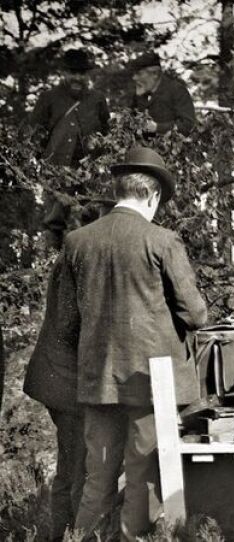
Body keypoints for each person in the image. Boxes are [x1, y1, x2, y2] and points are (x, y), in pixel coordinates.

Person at [67, 146, 207, 540]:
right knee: (143, 473)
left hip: (98, 379)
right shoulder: (162, 241)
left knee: (98, 477)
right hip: (150, 382)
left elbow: (67, 318)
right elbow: (195, 315)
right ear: (153, 195)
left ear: (118, 190)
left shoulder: (77, 241)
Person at [23, 197, 114, 542]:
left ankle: (67, 533)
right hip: (64, 380)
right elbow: (70, 325)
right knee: (74, 471)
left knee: (76, 467)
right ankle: (64, 535)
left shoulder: (78, 255)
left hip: (66, 377)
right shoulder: (77, 259)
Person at [29, 49, 110, 166]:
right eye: (72, 72)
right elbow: (33, 136)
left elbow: (107, 133)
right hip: (53, 169)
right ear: (63, 73)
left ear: (87, 75)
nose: (77, 77)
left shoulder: (98, 99)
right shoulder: (48, 97)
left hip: (89, 170)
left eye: (82, 73)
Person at [128, 52, 196, 135]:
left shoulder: (176, 90)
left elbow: (187, 124)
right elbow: (131, 120)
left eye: (139, 74)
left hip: (169, 142)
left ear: (155, 74)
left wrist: (158, 127)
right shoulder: (141, 91)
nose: (134, 78)